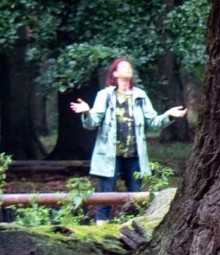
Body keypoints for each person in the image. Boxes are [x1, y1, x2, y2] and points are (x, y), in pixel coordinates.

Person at [70, 58, 188, 221]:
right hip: (109, 155)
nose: (128, 69)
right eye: (123, 67)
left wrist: (168, 115)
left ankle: (133, 227)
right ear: (115, 73)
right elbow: (92, 124)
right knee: (106, 194)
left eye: (129, 67)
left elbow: (153, 121)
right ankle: (102, 228)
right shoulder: (104, 96)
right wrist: (87, 112)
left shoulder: (140, 95)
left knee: (137, 197)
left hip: (135, 155)